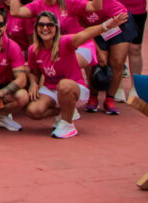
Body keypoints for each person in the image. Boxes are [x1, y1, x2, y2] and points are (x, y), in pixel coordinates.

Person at [24, 10, 128, 139]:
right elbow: (34, 72)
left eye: (49, 25)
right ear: (36, 28)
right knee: (33, 111)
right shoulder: (33, 49)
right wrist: (33, 84)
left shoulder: (65, 42)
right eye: (41, 25)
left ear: (56, 28)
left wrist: (107, 25)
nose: (45, 28)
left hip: (75, 89)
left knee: (64, 85)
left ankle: (68, 125)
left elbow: (86, 33)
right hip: (51, 89)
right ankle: (65, 110)